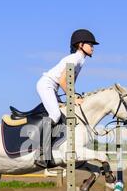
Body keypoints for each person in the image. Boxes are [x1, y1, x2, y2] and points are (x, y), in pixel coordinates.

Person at [34, 29, 99, 168]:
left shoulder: (80, 61)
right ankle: (42, 153)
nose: (93, 47)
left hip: (54, 87)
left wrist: (73, 96)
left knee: (62, 114)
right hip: (47, 85)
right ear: (80, 45)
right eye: (90, 44)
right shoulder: (75, 59)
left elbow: (70, 83)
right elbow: (64, 80)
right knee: (55, 114)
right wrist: (73, 97)